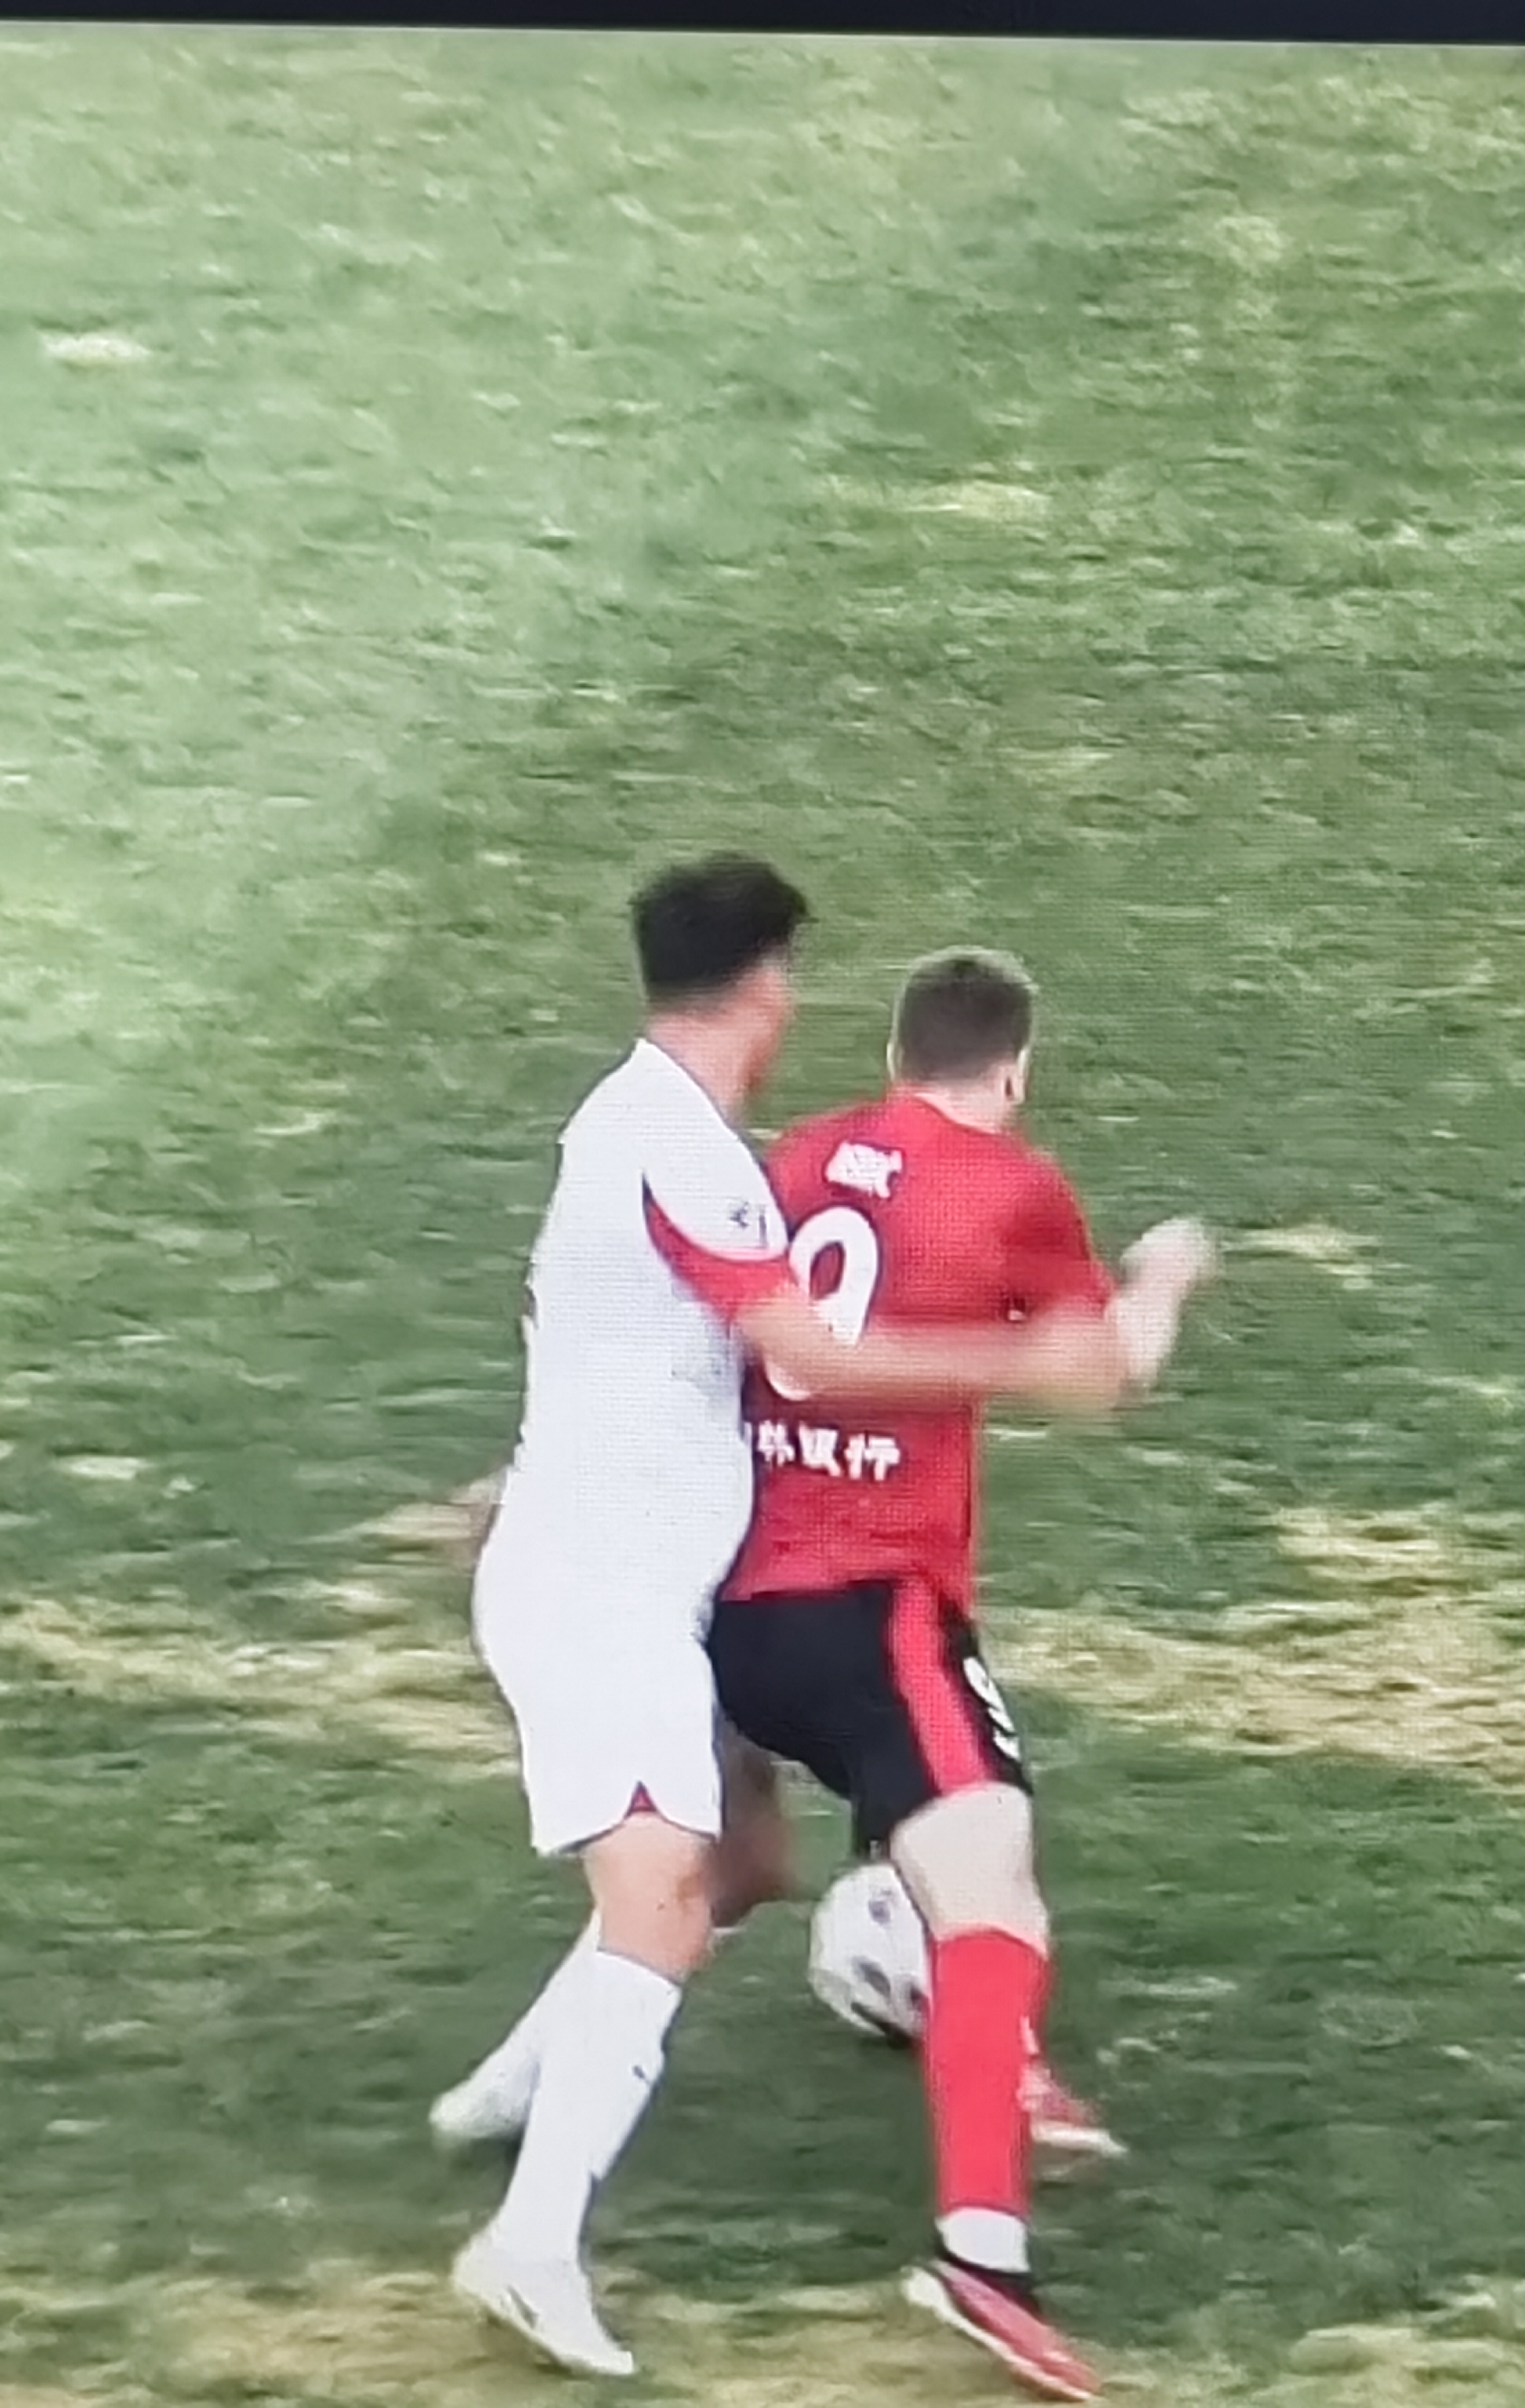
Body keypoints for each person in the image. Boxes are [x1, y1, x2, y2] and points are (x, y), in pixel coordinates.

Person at [444, 860, 1146, 2381]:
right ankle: (545, 2245)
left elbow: (635, 1344)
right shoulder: (686, 1150)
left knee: (732, 1868)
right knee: (703, 1899)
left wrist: (517, 1478)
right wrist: (1053, 1354)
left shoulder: (692, 1140)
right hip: (652, 1590)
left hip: (681, 1588)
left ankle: (513, 2095)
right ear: (767, 983)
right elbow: (810, 1354)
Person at [707, 946, 1215, 2401]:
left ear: (894, 1053)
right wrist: (1165, 1275)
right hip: (872, 1609)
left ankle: (543, 2121)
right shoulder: (1010, 1188)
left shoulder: (799, 1157)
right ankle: (982, 2254)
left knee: (856, 1843)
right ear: (1017, 1067)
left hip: (736, 1602)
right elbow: (1104, 1373)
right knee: (996, 1892)